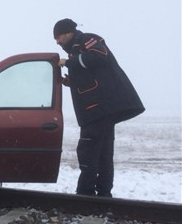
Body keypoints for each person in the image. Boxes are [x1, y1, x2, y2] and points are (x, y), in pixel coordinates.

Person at [53, 18, 144, 197]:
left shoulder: (88, 39)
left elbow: (98, 56)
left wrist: (69, 63)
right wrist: (70, 81)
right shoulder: (75, 51)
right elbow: (90, 77)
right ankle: (103, 193)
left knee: (88, 150)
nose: (57, 41)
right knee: (103, 152)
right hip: (99, 110)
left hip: (97, 110)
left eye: (58, 36)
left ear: (69, 32)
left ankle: (85, 194)